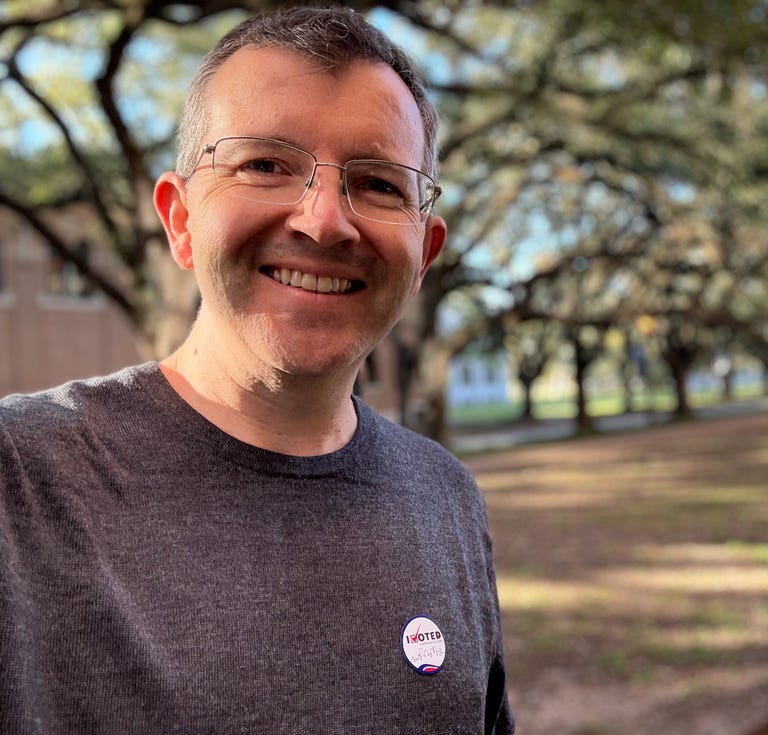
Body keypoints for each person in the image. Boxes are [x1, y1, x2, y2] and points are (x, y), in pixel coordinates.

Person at [0, 7, 513, 733]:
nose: (324, 219)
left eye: (379, 184)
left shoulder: (447, 498)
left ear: (424, 254)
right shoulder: (20, 482)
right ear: (180, 220)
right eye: (266, 164)